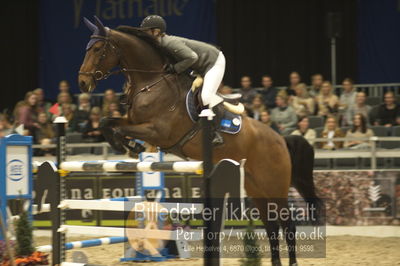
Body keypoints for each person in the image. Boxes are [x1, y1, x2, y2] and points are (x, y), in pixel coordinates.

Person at [139, 15, 227, 144]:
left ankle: (217, 133)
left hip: (213, 62)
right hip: (199, 67)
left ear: (156, 32)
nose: (144, 35)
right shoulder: (160, 46)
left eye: (146, 32)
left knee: (206, 96)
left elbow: (192, 57)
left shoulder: (169, 42)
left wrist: (175, 68)